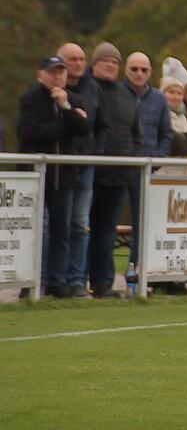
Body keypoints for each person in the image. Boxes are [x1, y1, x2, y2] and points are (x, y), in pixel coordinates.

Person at [17, 56, 90, 298]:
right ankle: (30, 282)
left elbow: (83, 130)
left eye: (62, 72)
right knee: (37, 231)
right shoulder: (29, 99)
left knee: (62, 231)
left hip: (64, 177)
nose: (58, 77)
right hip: (35, 180)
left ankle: (57, 282)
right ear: (41, 75)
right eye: (53, 72)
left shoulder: (74, 99)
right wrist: (66, 124)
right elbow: (30, 133)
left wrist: (66, 108)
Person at [88, 42, 143, 299]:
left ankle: (103, 283)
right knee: (78, 228)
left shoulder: (125, 94)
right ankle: (72, 281)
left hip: (119, 173)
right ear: (94, 63)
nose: (110, 65)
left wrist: (132, 163)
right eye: (104, 60)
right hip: (87, 173)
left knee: (106, 230)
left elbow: (136, 134)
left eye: (114, 61)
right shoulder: (87, 89)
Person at [57, 42, 109, 299]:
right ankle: (51, 280)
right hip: (58, 166)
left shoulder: (92, 88)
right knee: (55, 224)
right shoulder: (53, 88)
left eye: (80, 58)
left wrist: (94, 152)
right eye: (72, 59)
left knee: (80, 224)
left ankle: (77, 280)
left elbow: (100, 125)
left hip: (85, 164)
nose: (77, 63)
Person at [124, 52, 172, 272]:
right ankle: (96, 280)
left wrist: (156, 160)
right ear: (126, 70)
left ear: (150, 72)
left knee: (142, 224)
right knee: (100, 224)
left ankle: (135, 274)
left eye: (143, 69)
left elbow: (166, 135)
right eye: (134, 69)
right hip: (117, 167)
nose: (139, 73)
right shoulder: (117, 94)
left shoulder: (159, 99)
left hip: (146, 171)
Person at [156, 76, 187, 176]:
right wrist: (185, 141)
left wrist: (184, 142)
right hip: (162, 172)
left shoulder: (185, 116)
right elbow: (172, 142)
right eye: (171, 92)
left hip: (184, 172)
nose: (176, 96)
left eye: (179, 93)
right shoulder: (157, 114)